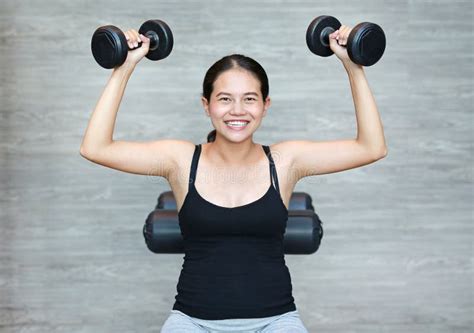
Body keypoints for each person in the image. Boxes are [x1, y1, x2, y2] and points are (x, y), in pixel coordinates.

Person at [80, 24, 387, 332]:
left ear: (265, 106)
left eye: (250, 99)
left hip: (276, 323)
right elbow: (95, 148)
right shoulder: (181, 160)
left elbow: (371, 147)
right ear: (206, 105)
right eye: (225, 99)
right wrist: (123, 68)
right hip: (192, 323)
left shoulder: (285, 161)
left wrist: (353, 66)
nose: (237, 111)